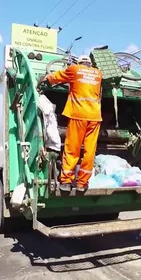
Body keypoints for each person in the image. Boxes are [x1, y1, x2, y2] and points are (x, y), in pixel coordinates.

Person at [43, 55, 103, 192]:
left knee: (72, 149)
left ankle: (66, 182)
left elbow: (55, 77)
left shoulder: (74, 69)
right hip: (95, 116)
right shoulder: (98, 73)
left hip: (78, 114)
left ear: (79, 63)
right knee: (89, 151)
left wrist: (47, 79)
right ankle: (82, 183)